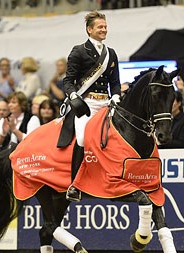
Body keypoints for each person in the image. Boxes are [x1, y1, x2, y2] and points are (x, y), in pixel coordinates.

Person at [63, 10, 121, 201]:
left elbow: (115, 82)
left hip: (106, 102)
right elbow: (69, 80)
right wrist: (73, 96)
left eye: (105, 26)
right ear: (89, 30)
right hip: (86, 102)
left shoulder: (111, 53)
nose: (104, 30)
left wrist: (117, 96)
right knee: (81, 138)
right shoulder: (79, 51)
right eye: (100, 27)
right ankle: (75, 185)